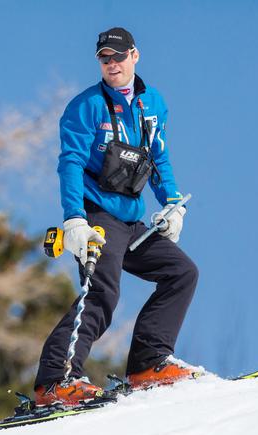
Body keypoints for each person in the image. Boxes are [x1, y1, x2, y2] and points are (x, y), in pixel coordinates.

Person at [34, 27, 200, 406]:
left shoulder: (152, 104)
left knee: (181, 273)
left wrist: (174, 205)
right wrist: (74, 220)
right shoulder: (86, 106)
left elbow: (158, 159)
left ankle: (147, 365)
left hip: (132, 221)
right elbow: (71, 163)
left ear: (134, 56)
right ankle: (55, 382)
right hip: (97, 216)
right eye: (105, 58)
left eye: (119, 56)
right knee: (102, 293)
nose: (112, 64)